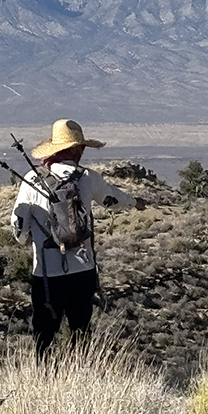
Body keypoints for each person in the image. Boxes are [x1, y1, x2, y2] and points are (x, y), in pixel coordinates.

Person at [10, 119, 146, 359]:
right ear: (75, 149)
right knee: (81, 331)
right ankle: (81, 373)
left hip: (46, 272)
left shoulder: (32, 179)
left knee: (44, 335)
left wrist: (30, 238)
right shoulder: (87, 178)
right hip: (83, 269)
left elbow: (18, 229)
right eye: (81, 147)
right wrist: (135, 203)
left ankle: (44, 378)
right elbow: (112, 199)